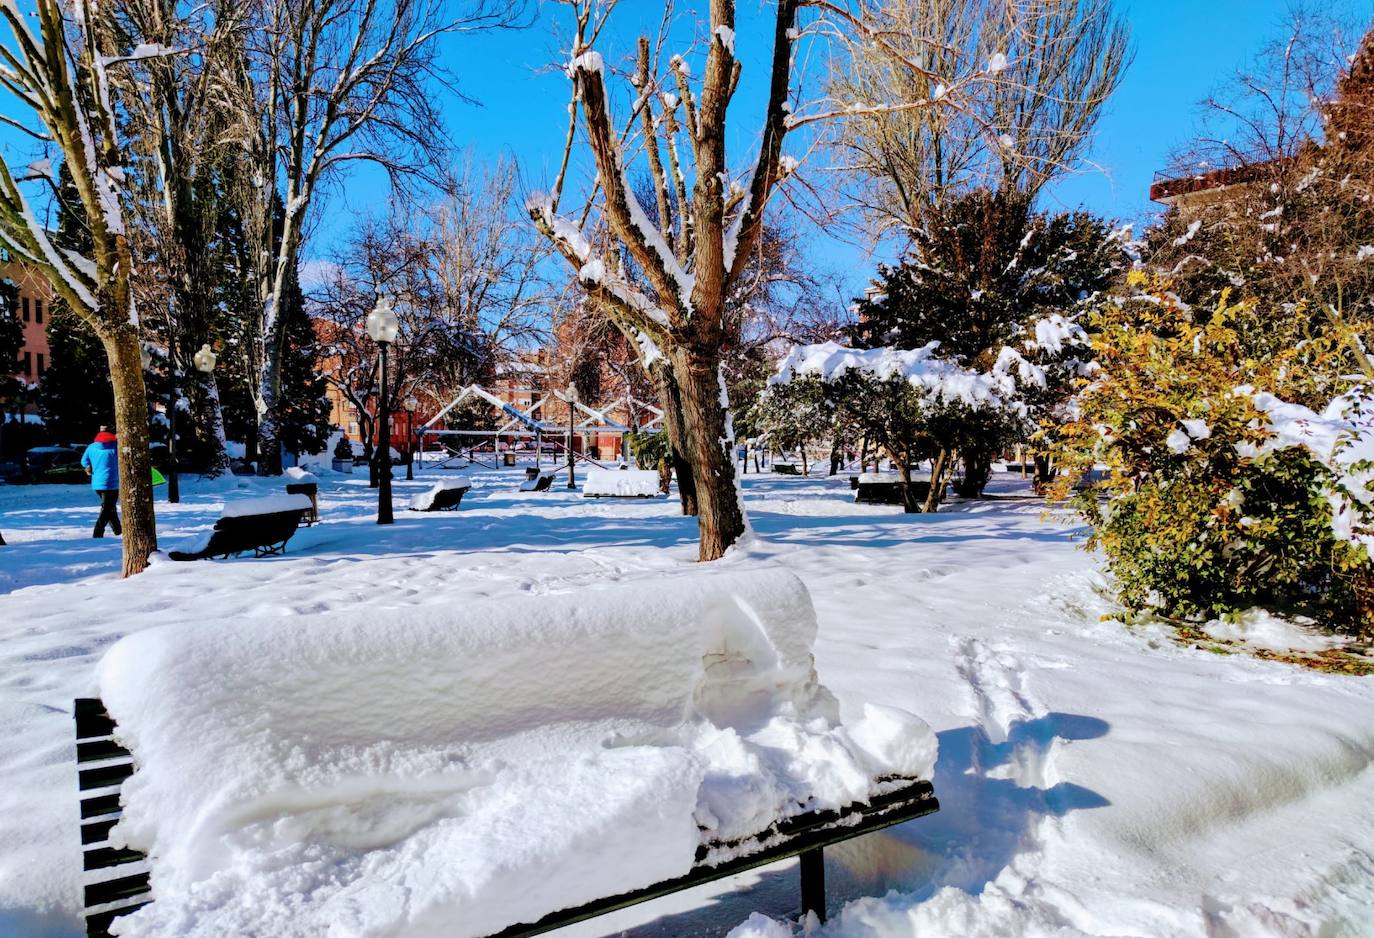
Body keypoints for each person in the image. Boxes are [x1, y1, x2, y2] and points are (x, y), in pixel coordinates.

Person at [82, 425, 121, 539]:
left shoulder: (91, 447)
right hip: (112, 483)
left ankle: (118, 530)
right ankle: (97, 533)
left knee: (110, 507)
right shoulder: (116, 447)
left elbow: (84, 461)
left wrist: (88, 467)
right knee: (107, 509)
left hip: (97, 484)